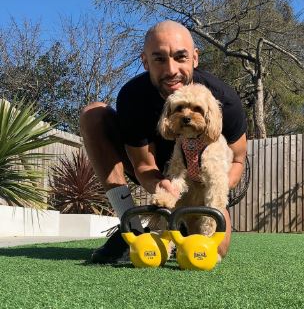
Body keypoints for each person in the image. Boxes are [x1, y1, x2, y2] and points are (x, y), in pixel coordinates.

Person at [80, 20, 247, 264]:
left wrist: (211, 191)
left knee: (217, 249)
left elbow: (239, 160)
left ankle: (188, 226)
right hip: (164, 176)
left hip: (207, 180)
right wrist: (165, 188)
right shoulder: (132, 97)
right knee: (93, 114)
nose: (171, 70)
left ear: (195, 58)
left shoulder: (223, 100)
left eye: (180, 57)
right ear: (145, 61)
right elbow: (143, 166)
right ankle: (133, 230)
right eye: (159, 59)